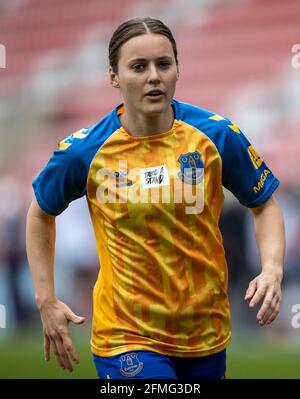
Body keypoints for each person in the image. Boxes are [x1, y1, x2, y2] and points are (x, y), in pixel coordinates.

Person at [26, 17, 285, 379]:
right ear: (113, 76)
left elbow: (264, 204)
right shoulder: (84, 151)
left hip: (205, 332)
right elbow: (40, 213)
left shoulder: (216, 135)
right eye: (138, 66)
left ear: (178, 68)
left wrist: (272, 268)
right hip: (126, 335)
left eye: (164, 64)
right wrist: (45, 299)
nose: (153, 76)